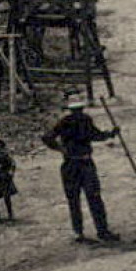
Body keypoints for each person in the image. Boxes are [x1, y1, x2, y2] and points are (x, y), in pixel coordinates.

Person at [42, 94, 120, 243]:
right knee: (74, 199)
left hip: (86, 163)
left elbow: (95, 135)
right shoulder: (65, 122)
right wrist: (60, 149)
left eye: (79, 109)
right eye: (75, 109)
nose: (78, 111)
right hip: (71, 165)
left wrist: (110, 134)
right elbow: (47, 137)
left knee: (95, 197)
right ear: (71, 110)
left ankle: (102, 230)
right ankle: (79, 233)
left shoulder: (86, 120)